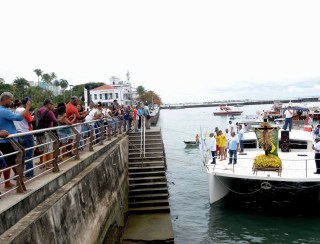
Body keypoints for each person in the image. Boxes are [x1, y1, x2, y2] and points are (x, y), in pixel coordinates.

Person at [0, 92, 31, 188]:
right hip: (7, 141)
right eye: (11, 100)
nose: (12, 102)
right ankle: (20, 181)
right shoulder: (3, 110)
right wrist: (28, 107)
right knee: (13, 162)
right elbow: (18, 117)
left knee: (7, 163)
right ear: (5, 99)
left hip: (6, 141)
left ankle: (8, 182)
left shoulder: (3, 110)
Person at [14, 97, 35, 178]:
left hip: (18, 134)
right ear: (28, 102)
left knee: (19, 155)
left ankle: (18, 174)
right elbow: (30, 120)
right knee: (28, 155)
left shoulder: (16, 110)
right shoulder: (24, 110)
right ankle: (29, 174)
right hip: (26, 134)